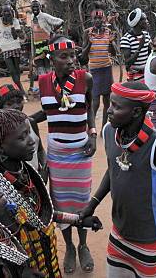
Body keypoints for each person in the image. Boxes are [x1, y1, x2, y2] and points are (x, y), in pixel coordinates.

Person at [80, 82, 156, 278]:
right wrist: (92, 204)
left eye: (117, 106)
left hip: (150, 237)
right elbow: (112, 169)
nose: (110, 111)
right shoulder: (109, 132)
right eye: (111, 104)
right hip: (120, 232)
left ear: (136, 112)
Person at [0, 109, 102, 276]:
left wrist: (78, 220)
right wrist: (22, 270)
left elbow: (39, 214)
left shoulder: (25, 171)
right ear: (0, 146)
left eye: (29, 133)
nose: (32, 141)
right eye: (22, 137)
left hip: (47, 258)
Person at [32, 36, 97, 273]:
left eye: (73, 55)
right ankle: (69, 246)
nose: (71, 61)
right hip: (57, 153)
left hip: (80, 151)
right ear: (52, 60)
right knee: (60, 203)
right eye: (64, 57)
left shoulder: (85, 78)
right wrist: (29, 120)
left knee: (82, 201)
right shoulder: (43, 82)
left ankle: (83, 245)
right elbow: (50, 111)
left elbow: (89, 107)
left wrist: (92, 133)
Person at [0, 83, 47, 181]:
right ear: (0, 107)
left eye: (19, 102)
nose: (16, 106)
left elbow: (40, 150)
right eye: (9, 104)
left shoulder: (30, 122)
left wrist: (43, 170)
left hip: (36, 179)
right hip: (15, 181)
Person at [81, 5, 116, 130]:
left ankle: (104, 128)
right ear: (92, 20)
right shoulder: (87, 33)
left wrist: (111, 42)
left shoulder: (108, 32)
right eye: (95, 18)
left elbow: (113, 53)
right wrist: (89, 44)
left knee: (107, 100)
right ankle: (92, 128)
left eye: (100, 18)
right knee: (94, 101)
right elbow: (83, 56)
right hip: (94, 70)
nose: (97, 21)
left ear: (104, 20)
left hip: (106, 68)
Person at [0, 4, 25, 95]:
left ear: (12, 13)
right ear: (2, 13)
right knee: (11, 70)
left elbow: (15, 37)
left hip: (15, 47)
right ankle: (20, 90)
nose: (7, 13)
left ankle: (19, 88)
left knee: (17, 69)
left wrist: (11, 25)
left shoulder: (15, 21)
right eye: (5, 11)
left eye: (9, 12)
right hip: (5, 48)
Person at [31, 0, 64, 79]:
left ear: (40, 7)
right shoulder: (32, 17)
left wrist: (53, 31)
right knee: (40, 67)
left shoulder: (44, 16)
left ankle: (52, 85)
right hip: (38, 47)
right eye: (33, 7)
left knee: (48, 64)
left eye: (37, 7)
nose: (35, 8)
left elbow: (60, 21)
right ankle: (45, 85)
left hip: (47, 45)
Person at [121, 8, 151, 82]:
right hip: (134, 77)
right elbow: (127, 62)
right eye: (145, 19)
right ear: (139, 22)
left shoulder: (146, 35)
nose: (147, 21)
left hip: (147, 74)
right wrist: (140, 47)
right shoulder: (126, 39)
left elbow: (149, 54)